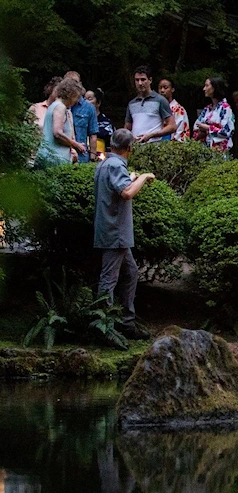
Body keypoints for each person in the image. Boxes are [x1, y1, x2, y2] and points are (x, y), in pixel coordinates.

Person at [93, 129, 156, 341]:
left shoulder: (104, 164)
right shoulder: (115, 165)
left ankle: (127, 322)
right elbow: (127, 193)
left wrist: (132, 178)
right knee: (108, 279)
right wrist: (145, 176)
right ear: (129, 148)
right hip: (115, 231)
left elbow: (120, 186)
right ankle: (105, 327)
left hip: (111, 230)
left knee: (130, 273)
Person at [36, 78, 86, 169]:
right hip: (54, 159)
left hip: (50, 157)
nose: (77, 101)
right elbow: (57, 133)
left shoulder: (54, 105)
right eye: (77, 97)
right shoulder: (60, 107)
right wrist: (76, 145)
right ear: (71, 94)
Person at [125, 65, 176, 143]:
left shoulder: (160, 100)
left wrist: (151, 135)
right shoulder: (131, 103)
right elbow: (127, 128)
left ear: (150, 80)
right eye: (137, 80)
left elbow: (172, 126)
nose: (140, 83)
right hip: (135, 147)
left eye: (143, 79)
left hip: (154, 147)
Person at [64, 71, 99, 162]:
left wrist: (92, 157)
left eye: (75, 83)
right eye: (69, 83)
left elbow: (93, 135)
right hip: (62, 154)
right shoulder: (60, 105)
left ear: (80, 85)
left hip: (81, 157)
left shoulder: (89, 108)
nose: (72, 87)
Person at [193, 76, 234, 152]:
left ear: (215, 87)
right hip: (205, 148)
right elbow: (196, 126)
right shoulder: (207, 109)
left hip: (219, 150)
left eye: (207, 85)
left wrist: (208, 128)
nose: (204, 89)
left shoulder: (225, 108)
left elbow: (227, 131)